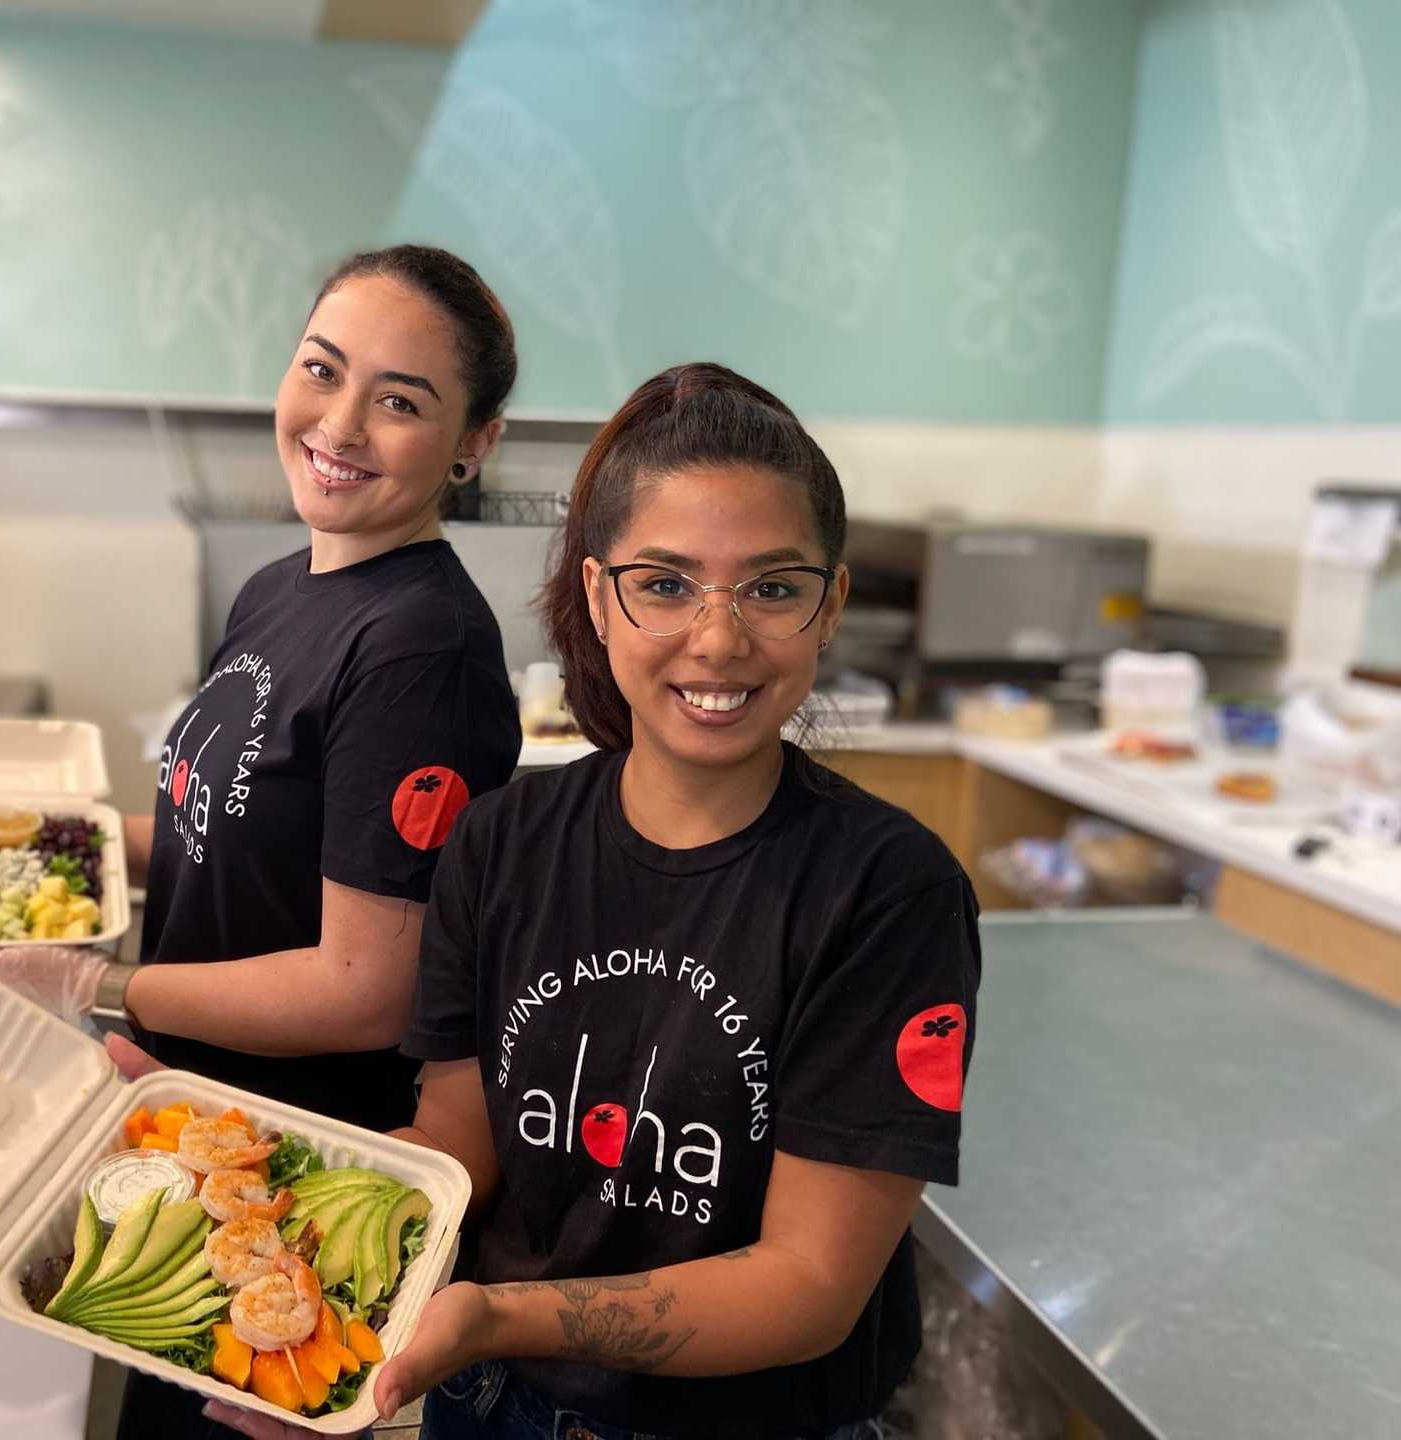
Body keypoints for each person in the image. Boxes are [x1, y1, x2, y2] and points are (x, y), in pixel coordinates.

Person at [347, 363, 982, 1439]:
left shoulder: (888, 891)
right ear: (599, 599)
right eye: (667, 583)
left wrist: (500, 1316)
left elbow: (809, 1287)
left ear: (829, 609)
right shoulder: (501, 844)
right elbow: (459, 1144)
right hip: (494, 1404)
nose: (719, 639)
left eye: (773, 588)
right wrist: (317, 1262)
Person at [114, 245, 524, 1128]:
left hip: (294, 1147)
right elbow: (226, 836)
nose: (339, 427)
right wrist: (73, 839)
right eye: (321, 370)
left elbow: (362, 991)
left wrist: (106, 984)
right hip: (185, 1102)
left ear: (474, 442)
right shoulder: (275, 587)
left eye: (399, 401)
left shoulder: (422, 649)